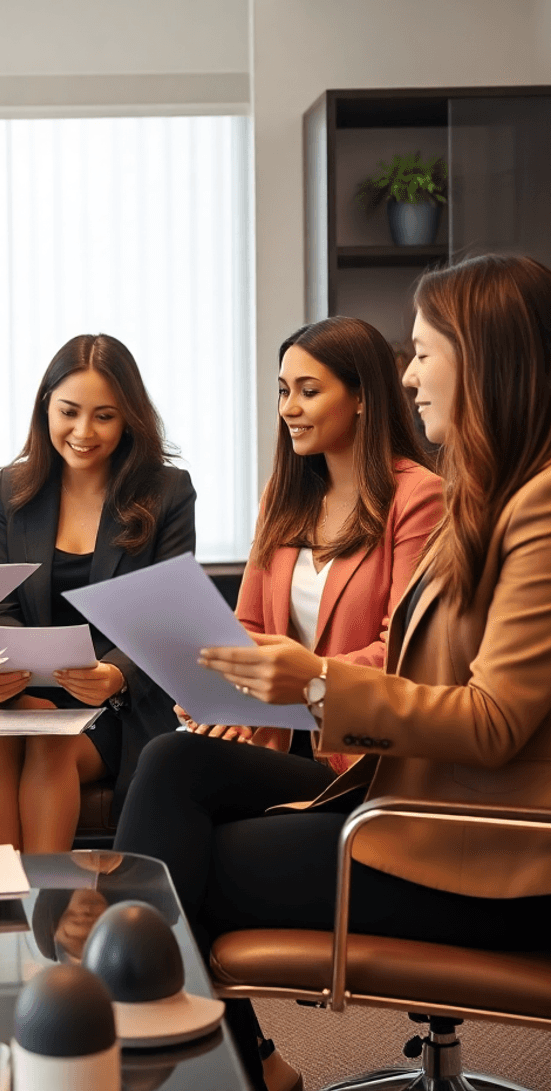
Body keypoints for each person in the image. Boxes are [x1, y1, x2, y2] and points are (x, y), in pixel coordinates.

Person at [115, 255, 551, 1091]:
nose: (410, 375)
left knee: (175, 869)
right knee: (176, 766)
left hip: (485, 862)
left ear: (490, 358)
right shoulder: (503, 489)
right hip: (424, 813)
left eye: (425, 352)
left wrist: (315, 682)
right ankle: (208, 1064)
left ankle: (164, 1061)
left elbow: (495, 719)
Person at [0, 334, 196, 852]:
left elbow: (168, 617)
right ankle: (2, 911)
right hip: (23, 687)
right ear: (45, 406)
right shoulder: (12, 489)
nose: (83, 432)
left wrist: (116, 674)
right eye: (69, 411)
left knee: (47, 738)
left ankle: (44, 908)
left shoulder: (167, 493)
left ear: (129, 419)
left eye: (104, 416)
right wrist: (2, 666)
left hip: (117, 699)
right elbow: (1, 602)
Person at [187, 316, 442, 772]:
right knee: (175, 755)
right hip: (278, 741)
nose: (288, 408)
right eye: (284, 390)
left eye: (308, 391)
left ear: (362, 397)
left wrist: (301, 680)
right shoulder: (284, 495)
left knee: (172, 764)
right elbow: (247, 625)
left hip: (356, 755)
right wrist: (219, 694)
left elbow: (404, 651)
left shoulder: (419, 496)